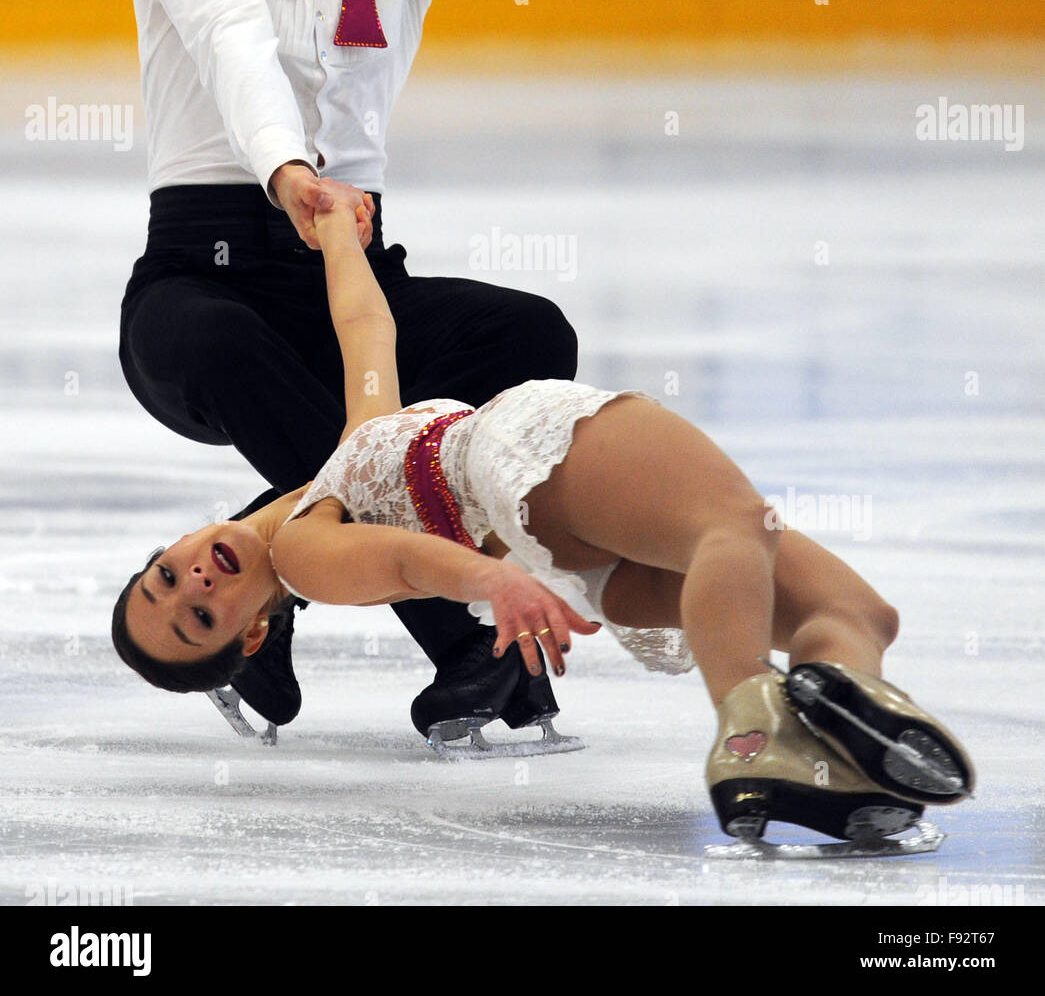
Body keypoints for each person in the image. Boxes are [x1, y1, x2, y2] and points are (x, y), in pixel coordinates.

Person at [117, 0, 721, 743]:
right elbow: (228, 31)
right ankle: (473, 646)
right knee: (230, 351)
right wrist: (290, 166)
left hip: (351, 266)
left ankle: (267, 590)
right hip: (198, 277)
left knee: (525, 338)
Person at [114, 186, 975, 845]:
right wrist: (493, 580)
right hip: (518, 459)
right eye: (198, 619)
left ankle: (839, 766)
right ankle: (752, 736)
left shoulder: (338, 461)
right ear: (252, 638)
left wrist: (339, 232)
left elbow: (363, 323)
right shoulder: (304, 552)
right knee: (731, 529)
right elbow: (410, 564)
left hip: (566, 554)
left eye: (164, 575)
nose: (192, 582)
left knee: (856, 613)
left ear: (175, 542)